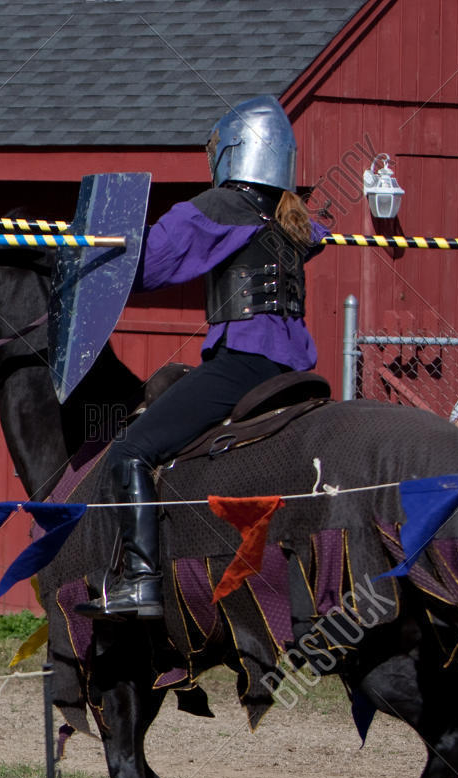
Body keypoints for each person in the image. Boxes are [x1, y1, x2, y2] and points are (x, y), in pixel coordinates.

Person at [77, 95, 327, 620]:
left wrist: (79, 251)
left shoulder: (221, 208)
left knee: (130, 449)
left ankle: (141, 583)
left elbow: (144, 268)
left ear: (234, 152)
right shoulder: (294, 218)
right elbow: (319, 237)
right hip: (294, 370)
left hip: (243, 364)